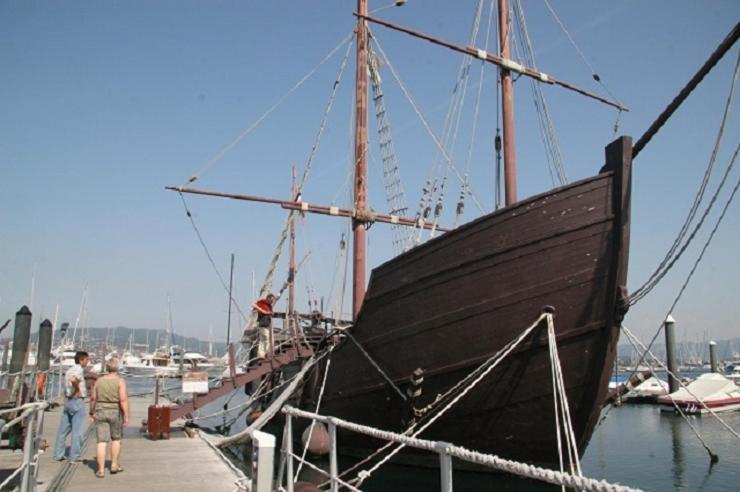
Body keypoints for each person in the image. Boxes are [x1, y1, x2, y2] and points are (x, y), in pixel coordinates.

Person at [89, 357, 129, 478]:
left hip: (100, 410)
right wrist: (126, 415)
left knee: (101, 441)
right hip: (115, 411)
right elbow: (123, 399)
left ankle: (100, 470)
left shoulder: (99, 381)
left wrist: (91, 412)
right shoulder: (120, 381)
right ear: (117, 368)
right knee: (116, 439)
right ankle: (114, 465)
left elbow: (93, 398)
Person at [53, 351, 90, 462]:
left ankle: (58, 454)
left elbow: (67, 382)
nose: (87, 362)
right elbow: (74, 380)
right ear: (81, 360)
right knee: (77, 430)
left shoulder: (69, 370)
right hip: (77, 400)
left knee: (63, 430)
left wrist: (68, 391)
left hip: (68, 400)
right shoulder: (79, 369)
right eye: (86, 360)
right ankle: (74, 456)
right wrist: (78, 390)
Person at [251, 293, 276, 360]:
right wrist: (263, 311)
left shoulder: (269, 306)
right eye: (271, 300)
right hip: (262, 324)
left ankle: (263, 354)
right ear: (268, 298)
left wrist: (270, 313)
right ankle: (264, 354)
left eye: (272, 301)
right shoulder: (262, 302)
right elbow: (253, 305)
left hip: (267, 325)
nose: (272, 301)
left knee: (265, 339)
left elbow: (270, 313)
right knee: (266, 338)